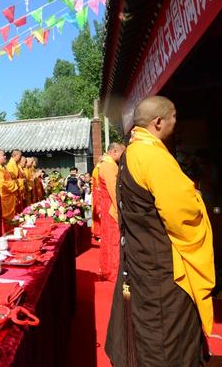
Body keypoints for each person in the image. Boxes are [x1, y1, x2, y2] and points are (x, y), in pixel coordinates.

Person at [106, 96, 215, 366]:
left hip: (140, 257)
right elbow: (182, 216)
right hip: (162, 267)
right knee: (168, 337)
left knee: (148, 329)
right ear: (158, 122)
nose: (176, 122)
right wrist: (197, 198)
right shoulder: (153, 156)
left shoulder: (131, 153)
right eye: (174, 117)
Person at [98, 143, 125, 282]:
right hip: (111, 208)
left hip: (107, 206)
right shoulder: (109, 166)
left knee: (110, 240)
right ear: (114, 151)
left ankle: (109, 270)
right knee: (114, 241)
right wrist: (120, 209)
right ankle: (113, 273)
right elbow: (114, 191)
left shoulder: (105, 164)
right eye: (122, 152)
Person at [0, 149, 20, 233]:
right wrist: (15, 183)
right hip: (4, 200)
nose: (5, 157)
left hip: (9, 200)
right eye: (3, 155)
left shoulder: (3, 169)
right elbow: (2, 185)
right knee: (6, 226)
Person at [91, 158, 104, 241]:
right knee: (99, 215)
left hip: (97, 193)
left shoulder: (97, 168)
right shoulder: (98, 169)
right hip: (99, 194)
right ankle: (99, 233)